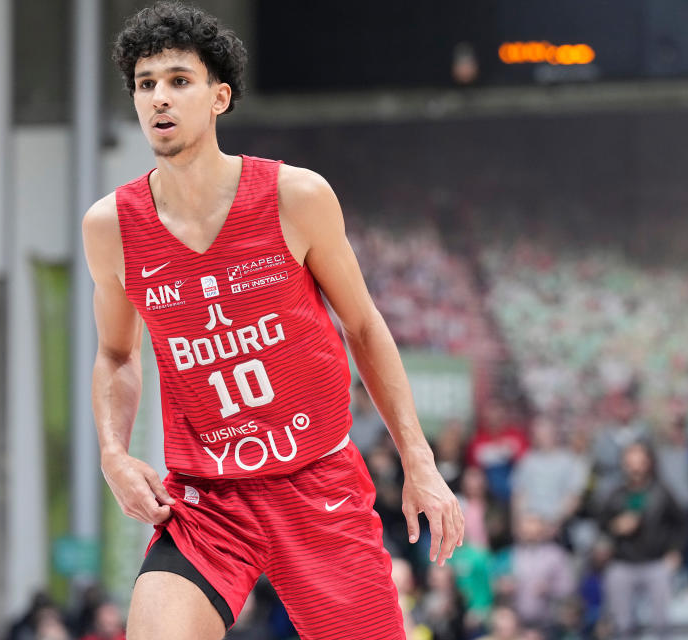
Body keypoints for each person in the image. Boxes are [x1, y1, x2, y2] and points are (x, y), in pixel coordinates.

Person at [82, 3, 465, 639]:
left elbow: (364, 327)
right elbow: (118, 356)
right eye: (145, 85)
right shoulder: (112, 228)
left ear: (219, 97)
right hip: (207, 502)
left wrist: (419, 462)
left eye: (179, 80)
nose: (159, 99)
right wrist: (114, 454)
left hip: (317, 488)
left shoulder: (296, 196)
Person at [599, 441, 687, 639]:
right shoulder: (616, 494)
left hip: (655, 561)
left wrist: (675, 551)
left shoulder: (661, 492)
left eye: (639, 459)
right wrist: (616, 526)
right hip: (623, 562)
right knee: (622, 624)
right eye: (630, 460)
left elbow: (681, 523)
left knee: (661, 623)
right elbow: (601, 523)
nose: (635, 466)